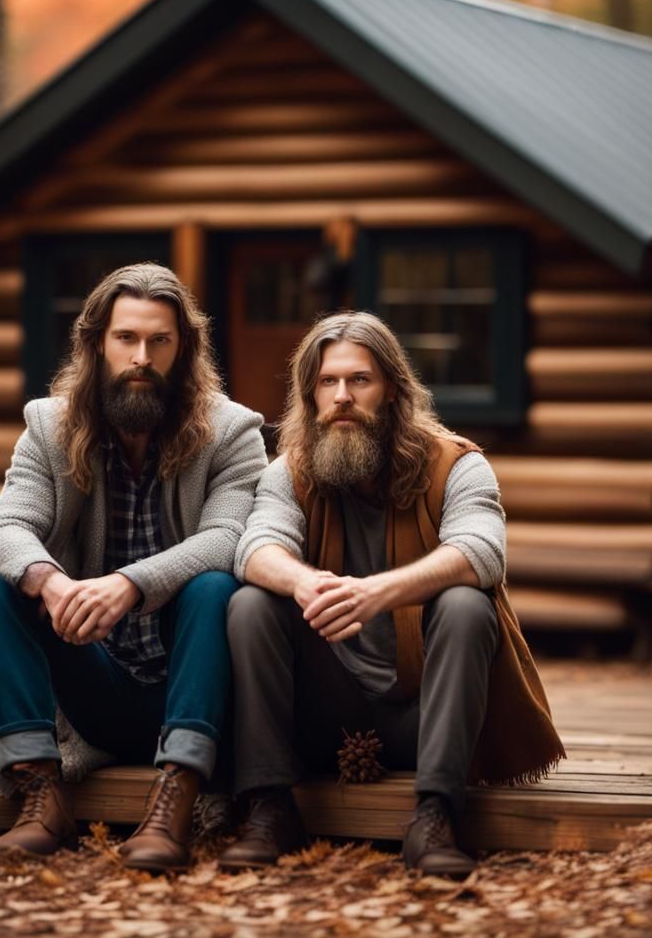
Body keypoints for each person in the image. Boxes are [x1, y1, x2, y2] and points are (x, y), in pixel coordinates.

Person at [220, 311, 564, 878]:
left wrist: (379, 592)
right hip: (326, 716)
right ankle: (270, 808)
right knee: (251, 600)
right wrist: (304, 581)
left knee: (466, 602)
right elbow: (254, 549)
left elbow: (483, 551)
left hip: (429, 716)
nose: (343, 397)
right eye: (328, 383)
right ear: (310, 395)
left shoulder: (457, 464)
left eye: (360, 381)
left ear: (393, 390)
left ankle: (436, 815)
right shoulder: (292, 470)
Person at [0, 263, 267, 870]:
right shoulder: (48, 428)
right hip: (94, 684)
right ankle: (41, 794)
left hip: (196, 691)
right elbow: (3, 529)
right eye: (126, 339)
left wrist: (131, 585)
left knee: (216, 586)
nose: (141, 357)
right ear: (96, 344)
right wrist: (50, 582)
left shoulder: (232, 431)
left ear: (182, 349)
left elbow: (231, 538)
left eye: (159, 341)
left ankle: (175, 802)